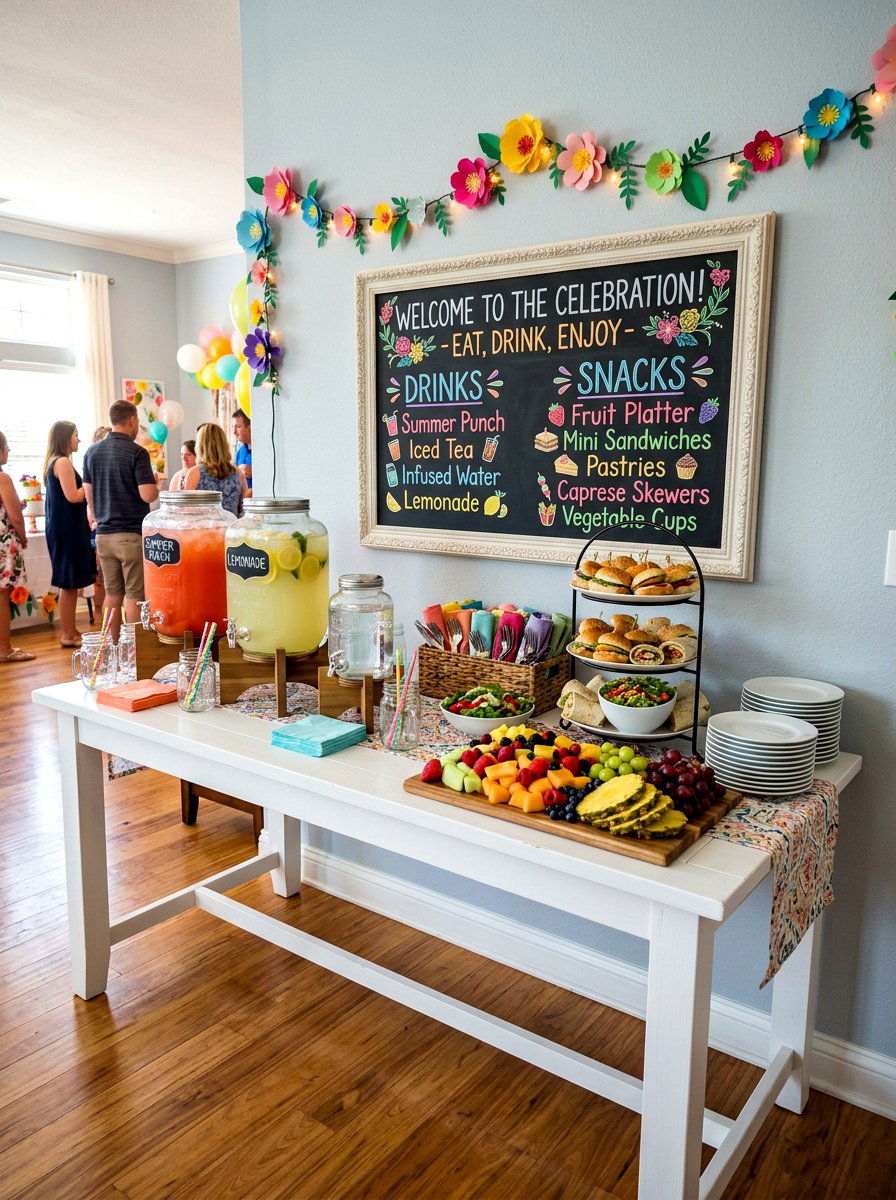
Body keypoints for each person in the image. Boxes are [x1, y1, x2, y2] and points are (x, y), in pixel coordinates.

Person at [82, 399, 158, 641]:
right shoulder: (137, 452)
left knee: (112, 594)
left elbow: (88, 492)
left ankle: (111, 645)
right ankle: (137, 651)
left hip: (104, 535)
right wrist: (155, 484)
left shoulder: (91, 452)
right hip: (130, 535)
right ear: (132, 420)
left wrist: (96, 517)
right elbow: (147, 494)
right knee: (134, 595)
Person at [43, 421, 96, 648]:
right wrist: (90, 485)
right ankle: (67, 634)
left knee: (71, 582)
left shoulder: (56, 461)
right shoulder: (62, 461)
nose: (79, 439)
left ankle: (71, 629)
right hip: (66, 530)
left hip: (65, 528)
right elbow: (73, 496)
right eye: (76, 435)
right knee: (68, 582)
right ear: (65, 438)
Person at [0, 429, 34, 663]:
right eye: (7, 447)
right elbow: (16, 516)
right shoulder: (2, 478)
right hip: (2, 545)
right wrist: (22, 538)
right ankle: (4, 649)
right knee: (2, 597)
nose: (9, 452)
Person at [183, 422, 247, 517]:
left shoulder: (195, 473)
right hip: (230, 529)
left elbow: (186, 512)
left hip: (203, 530)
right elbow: (243, 509)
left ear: (200, 446)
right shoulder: (237, 472)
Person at [233, 408, 252, 494]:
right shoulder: (240, 452)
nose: (234, 432)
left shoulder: (265, 451)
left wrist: (255, 473)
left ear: (249, 427)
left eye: (238, 427)